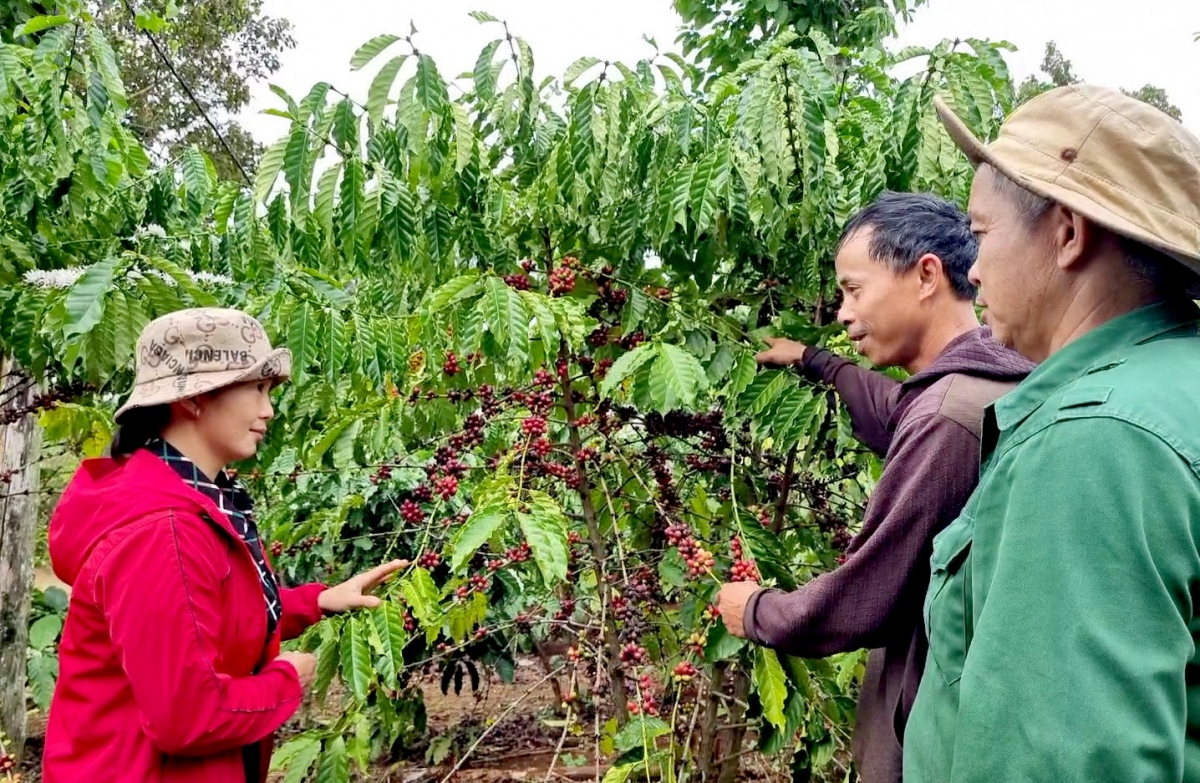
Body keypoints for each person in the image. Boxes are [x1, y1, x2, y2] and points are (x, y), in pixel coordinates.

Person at [902, 86, 1200, 782]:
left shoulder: (1092, 441)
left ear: (1067, 233)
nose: (971, 270)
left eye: (980, 234)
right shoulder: (1173, 382)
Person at [717, 192, 1034, 782]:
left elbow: (871, 591)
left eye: (854, 290)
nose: (843, 311)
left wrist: (757, 612)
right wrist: (816, 361)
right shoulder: (986, 382)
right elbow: (895, 410)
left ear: (926, 275)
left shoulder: (947, 417)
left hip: (937, 735)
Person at [43, 307, 406, 783]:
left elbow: (202, 616)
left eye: (269, 390)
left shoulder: (193, 497)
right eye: (255, 388)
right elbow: (188, 716)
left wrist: (315, 602)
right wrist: (286, 680)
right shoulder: (162, 529)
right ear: (194, 398)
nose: (268, 409)